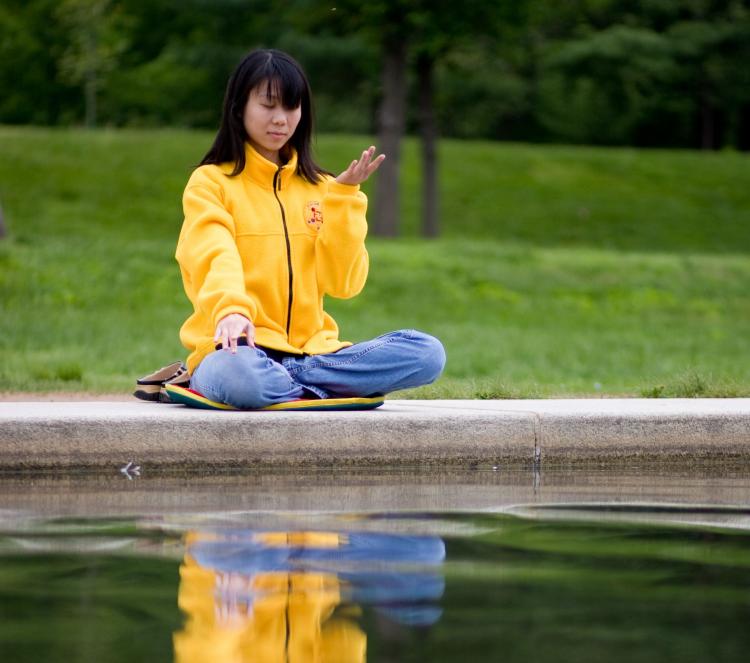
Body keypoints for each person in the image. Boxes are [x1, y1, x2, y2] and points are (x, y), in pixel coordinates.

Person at [176, 49, 445, 409]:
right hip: (239, 351)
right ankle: (323, 388)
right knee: (240, 379)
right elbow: (212, 252)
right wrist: (231, 310)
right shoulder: (211, 182)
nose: (281, 120)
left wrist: (345, 199)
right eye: (268, 105)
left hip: (313, 354)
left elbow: (343, 284)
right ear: (239, 107)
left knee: (427, 353)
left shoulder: (322, 187)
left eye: (291, 107)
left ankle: (294, 385)